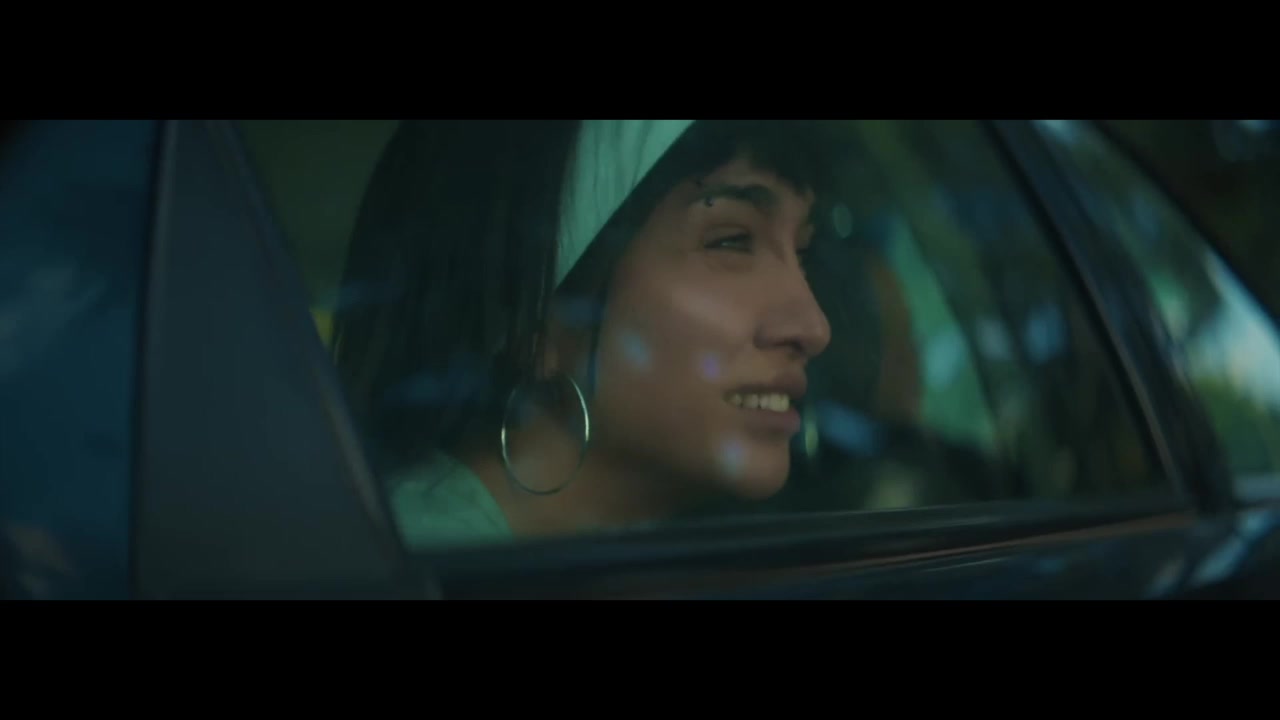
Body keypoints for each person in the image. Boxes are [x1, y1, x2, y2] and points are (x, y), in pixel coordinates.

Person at [334, 120, 835, 549]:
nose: (814, 328)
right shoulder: (405, 563)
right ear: (535, 322)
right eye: (731, 241)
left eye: (803, 254)